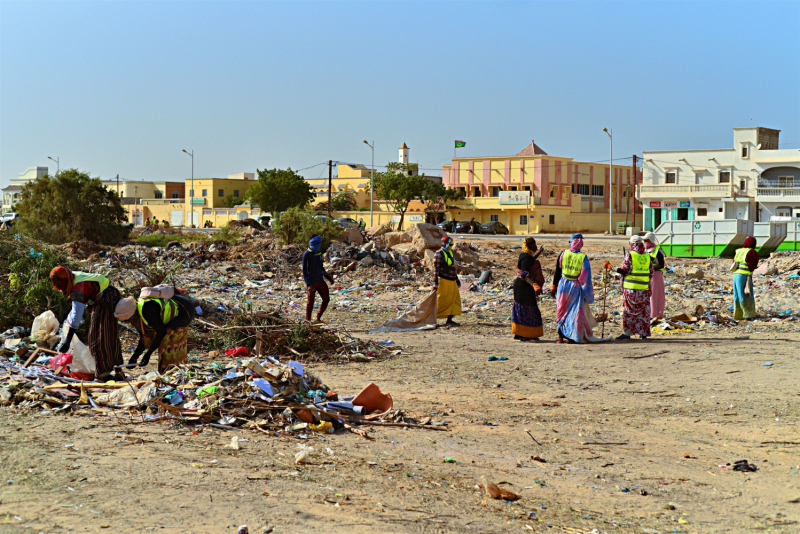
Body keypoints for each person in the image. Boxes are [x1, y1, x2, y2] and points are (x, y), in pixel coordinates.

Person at [49, 267, 123, 381]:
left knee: (98, 338)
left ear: (65, 281)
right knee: (108, 335)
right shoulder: (72, 276)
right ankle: (117, 370)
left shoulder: (79, 287)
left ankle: (103, 375)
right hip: (106, 297)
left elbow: (77, 314)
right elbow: (74, 312)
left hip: (107, 300)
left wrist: (68, 340)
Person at [116, 294, 196, 373]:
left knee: (168, 343)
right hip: (174, 310)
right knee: (159, 335)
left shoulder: (148, 310)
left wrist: (149, 353)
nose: (130, 322)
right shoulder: (136, 315)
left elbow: (161, 332)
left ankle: (173, 371)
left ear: (131, 315)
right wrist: (135, 356)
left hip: (185, 311)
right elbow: (144, 336)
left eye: (128, 320)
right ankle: (170, 370)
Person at [551, 233, 596, 343]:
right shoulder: (583, 257)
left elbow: (558, 271)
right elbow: (585, 277)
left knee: (561, 310)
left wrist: (554, 286)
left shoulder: (563, 254)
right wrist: (587, 292)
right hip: (575, 286)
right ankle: (571, 337)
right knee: (574, 312)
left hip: (563, 285)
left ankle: (560, 336)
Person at [613, 235, 654, 340]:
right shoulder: (647, 256)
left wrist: (611, 267)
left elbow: (624, 270)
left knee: (629, 312)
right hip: (644, 290)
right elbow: (651, 272)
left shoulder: (630, 255)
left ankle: (628, 333)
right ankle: (643, 333)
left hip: (631, 289)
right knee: (643, 312)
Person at [512, 237, 545, 341]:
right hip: (523, 286)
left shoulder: (526, 256)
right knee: (528, 309)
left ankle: (522, 333)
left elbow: (530, 261)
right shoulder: (525, 257)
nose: (534, 245)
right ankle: (525, 334)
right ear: (528, 245)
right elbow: (525, 274)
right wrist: (535, 285)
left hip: (523, 286)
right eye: (532, 244)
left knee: (526, 309)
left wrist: (539, 252)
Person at [303, 235, 333, 323]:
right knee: (310, 303)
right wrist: (308, 284)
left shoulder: (319, 254)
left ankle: (318, 317)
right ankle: (308, 320)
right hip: (312, 283)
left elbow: (321, 268)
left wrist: (328, 277)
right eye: (317, 243)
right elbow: (304, 270)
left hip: (320, 281)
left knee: (326, 299)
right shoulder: (307, 254)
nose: (319, 245)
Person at [434, 236, 462, 326]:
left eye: (452, 244)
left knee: (454, 300)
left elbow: (453, 268)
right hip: (443, 280)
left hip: (452, 280)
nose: (451, 246)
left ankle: (449, 320)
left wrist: (457, 279)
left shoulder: (450, 253)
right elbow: (436, 269)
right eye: (450, 244)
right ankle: (432, 319)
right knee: (440, 301)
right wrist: (435, 283)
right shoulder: (438, 254)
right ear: (445, 244)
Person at [731, 236, 759, 320]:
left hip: (735, 275)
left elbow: (734, 261)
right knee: (746, 294)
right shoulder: (751, 252)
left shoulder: (738, 250)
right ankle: (748, 315)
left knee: (737, 295)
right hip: (744, 276)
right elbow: (752, 265)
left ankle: (738, 315)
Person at [643, 232, 666, 319]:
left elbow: (661, 265)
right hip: (648, 276)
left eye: (646, 240)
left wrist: (651, 268)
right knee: (647, 296)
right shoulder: (645, 251)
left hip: (656, 276)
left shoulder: (657, 250)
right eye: (644, 241)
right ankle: (648, 314)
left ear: (651, 241)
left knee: (654, 296)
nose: (645, 242)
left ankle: (655, 315)